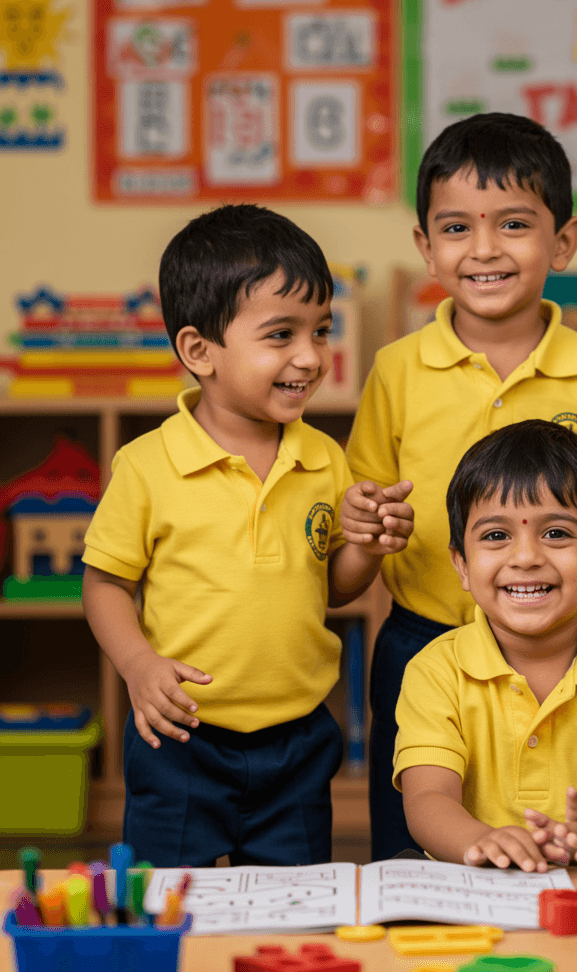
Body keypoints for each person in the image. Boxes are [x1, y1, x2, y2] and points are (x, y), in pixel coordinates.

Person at [345, 112, 577, 859]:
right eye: (456, 228)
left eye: (514, 224)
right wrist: (367, 523)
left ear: (563, 242)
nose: (484, 250)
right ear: (426, 248)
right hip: (424, 643)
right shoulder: (398, 369)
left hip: (558, 647)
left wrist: (551, 555)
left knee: (559, 831)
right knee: (413, 836)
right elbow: (363, 510)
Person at [82, 204, 414, 867]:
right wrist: (138, 665)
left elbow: (334, 592)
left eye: (320, 331)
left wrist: (367, 546)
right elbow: (105, 583)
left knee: (292, 906)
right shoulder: (148, 464)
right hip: (181, 736)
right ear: (198, 351)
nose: (310, 356)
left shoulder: (325, 459)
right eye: (280, 334)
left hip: (297, 736)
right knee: (171, 902)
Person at [394, 420, 577, 871]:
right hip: (471, 901)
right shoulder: (434, 670)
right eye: (496, 535)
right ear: (462, 565)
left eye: (556, 533)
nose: (527, 556)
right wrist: (485, 842)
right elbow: (427, 799)